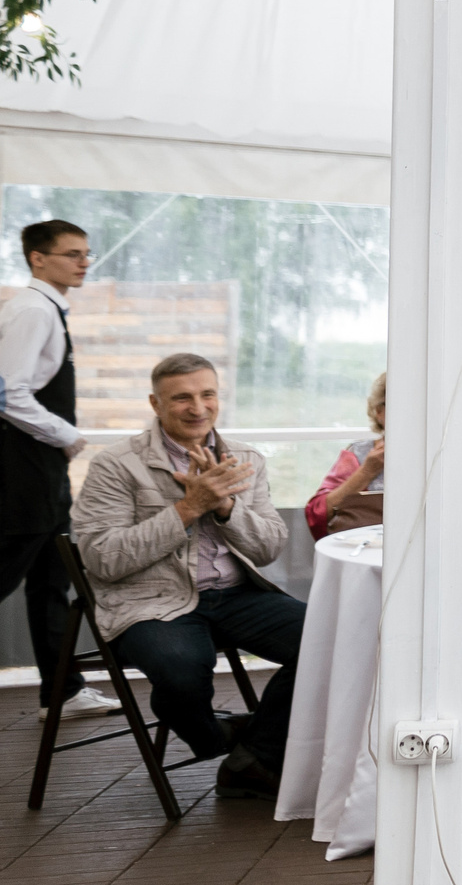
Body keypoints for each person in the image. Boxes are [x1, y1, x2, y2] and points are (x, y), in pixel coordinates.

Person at [70, 353, 307, 799]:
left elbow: (269, 546)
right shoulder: (116, 465)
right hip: (150, 600)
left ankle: (255, 756)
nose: (197, 407)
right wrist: (188, 507)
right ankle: (220, 741)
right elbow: (102, 558)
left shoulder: (245, 458)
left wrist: (226, 508)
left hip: (237, 595)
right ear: (155, 403)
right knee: (181, 670)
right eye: (181, 398)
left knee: (333, 641)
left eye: (207, 394)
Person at [0, 219, 112, 717]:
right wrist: (66, 435)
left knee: (51, 579)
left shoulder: (46, 309)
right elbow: (7, 392)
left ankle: (62, 692)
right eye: (72, 254)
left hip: (38, 461)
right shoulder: (31, 310)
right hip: (24, 465)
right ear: (37, 259)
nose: (83, 261)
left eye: (86, 253)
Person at [306, 373, 389, 540]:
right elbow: (317, 513)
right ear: (379, 412)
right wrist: (366, 472)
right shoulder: (360, 454)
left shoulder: (441, 457)